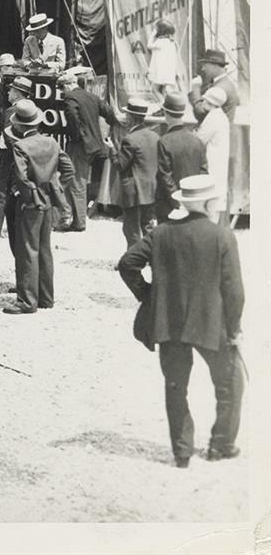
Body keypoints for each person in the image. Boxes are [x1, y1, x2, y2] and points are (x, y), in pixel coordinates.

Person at [117, 175, 244, 468]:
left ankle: (182, 453)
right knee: (231, 383)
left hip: (169, 323)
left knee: (176, 387)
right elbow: (234, 290)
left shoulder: (161, 233)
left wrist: (147, 295)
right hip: (210, 324)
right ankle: (220, 445)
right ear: (210, 203)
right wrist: (235, 328)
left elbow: (127, 263)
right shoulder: (222, 236)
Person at [2, 101, 74, 315]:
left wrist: (27, 194)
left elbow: (22, 178)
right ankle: (45, 297)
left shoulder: (20, 146)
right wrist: (55, 187)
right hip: (48, 202)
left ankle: (26, 301)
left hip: (30, 203)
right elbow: (68, 169)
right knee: (44, 250)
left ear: (19, 126)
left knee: (27, 251)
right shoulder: (51, 142)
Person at [60, 67, 118, 231]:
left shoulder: (71, 98)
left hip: (81, 146)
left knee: (78, 182)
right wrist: (111, 127)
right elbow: (109, 112)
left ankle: (79, 222)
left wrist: (76, 136)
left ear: (67, 86)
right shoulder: (92, 96)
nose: (62, 93)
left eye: (62, 89)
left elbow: (72, 116)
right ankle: (75, 216)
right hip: (96, 146)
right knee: (82, 180)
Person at [115, 99, 161, 250]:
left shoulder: (130, 139)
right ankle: (150, 255)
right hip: (151, 188)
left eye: (127, 115)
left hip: (134, 190)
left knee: (131, 228)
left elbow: (120, 165)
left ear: (131, 117)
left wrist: (111, 150)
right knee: (147, 225)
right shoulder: (154, 136)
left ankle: (133, 259)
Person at [154, 92, 207, 222]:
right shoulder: (197, 141)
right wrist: (192, 202)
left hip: (169, 208)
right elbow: (204, 172)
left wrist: (179, 204)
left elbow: (165, 177)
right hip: (193, 205)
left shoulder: (164, 142)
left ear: (166, 114)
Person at [196, 87, 231, 227]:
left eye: (204, 100)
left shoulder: (213, 118)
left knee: (210, 206)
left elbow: (199, 140)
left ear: (209, 102)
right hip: (219, 166)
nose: (202, 102)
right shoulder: (221, 116)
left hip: (212, 166)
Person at [146, 19, 184, 96]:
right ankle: (166, 104)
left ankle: (163, 104)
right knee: (165, 90)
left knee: (154, 89)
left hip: (161, 72)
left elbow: (149, 46)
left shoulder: (161, 41)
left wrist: (153, 34)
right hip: (169, 72)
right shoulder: (172, 42)